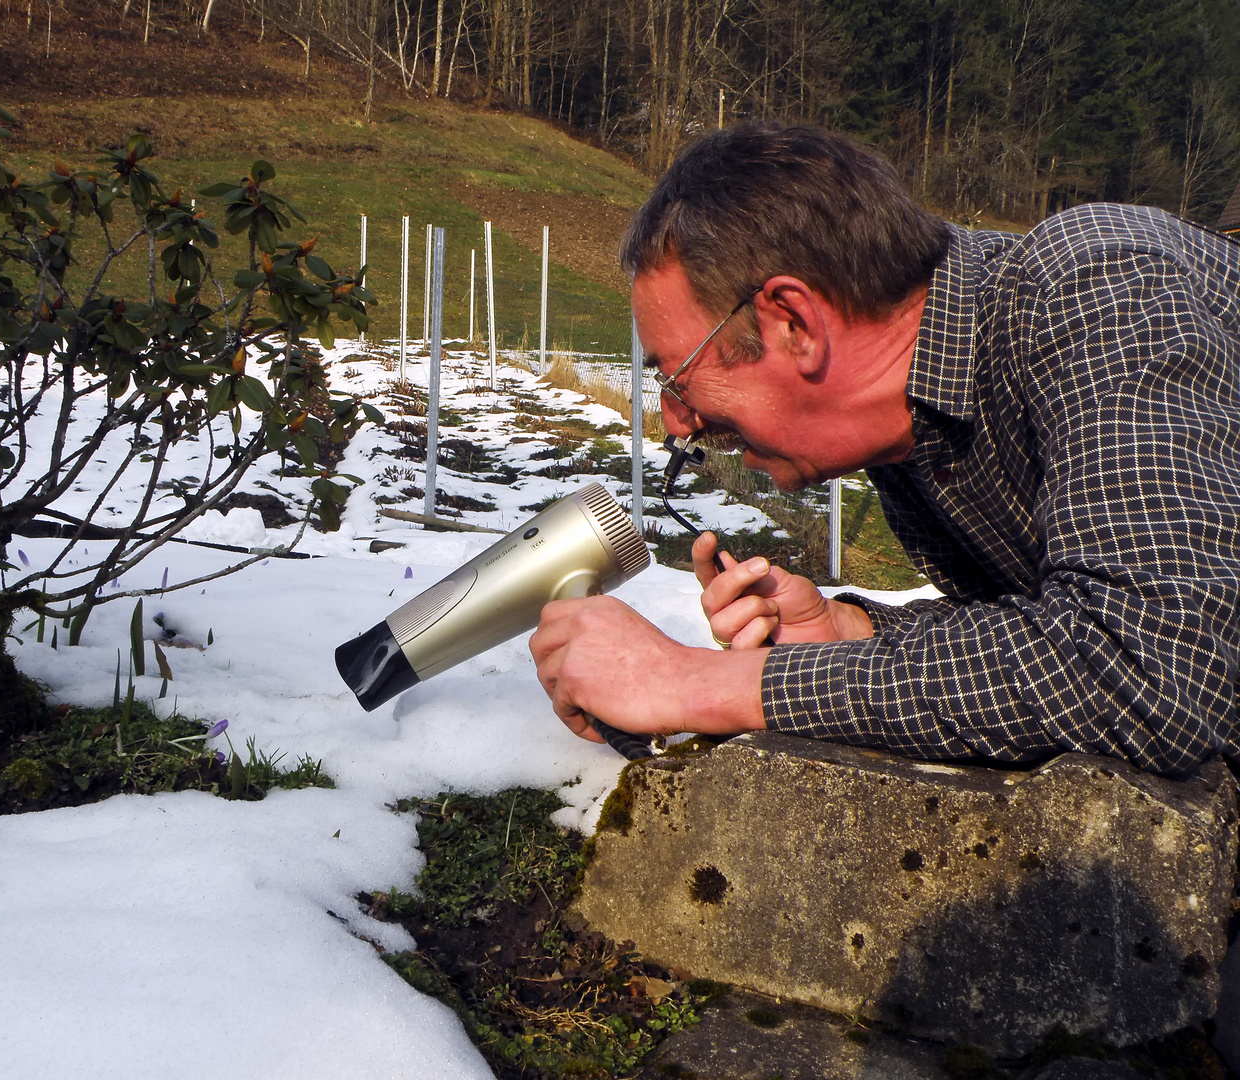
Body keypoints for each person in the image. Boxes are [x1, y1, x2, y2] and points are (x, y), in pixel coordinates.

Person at [528, 123, 1240, 777]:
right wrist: (852, 632)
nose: (675, 423)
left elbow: (1160, 671)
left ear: (794, 323)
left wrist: (700, 684)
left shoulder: (1098, 292)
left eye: (679, 379)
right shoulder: (910, 423)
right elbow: (1057, 626)